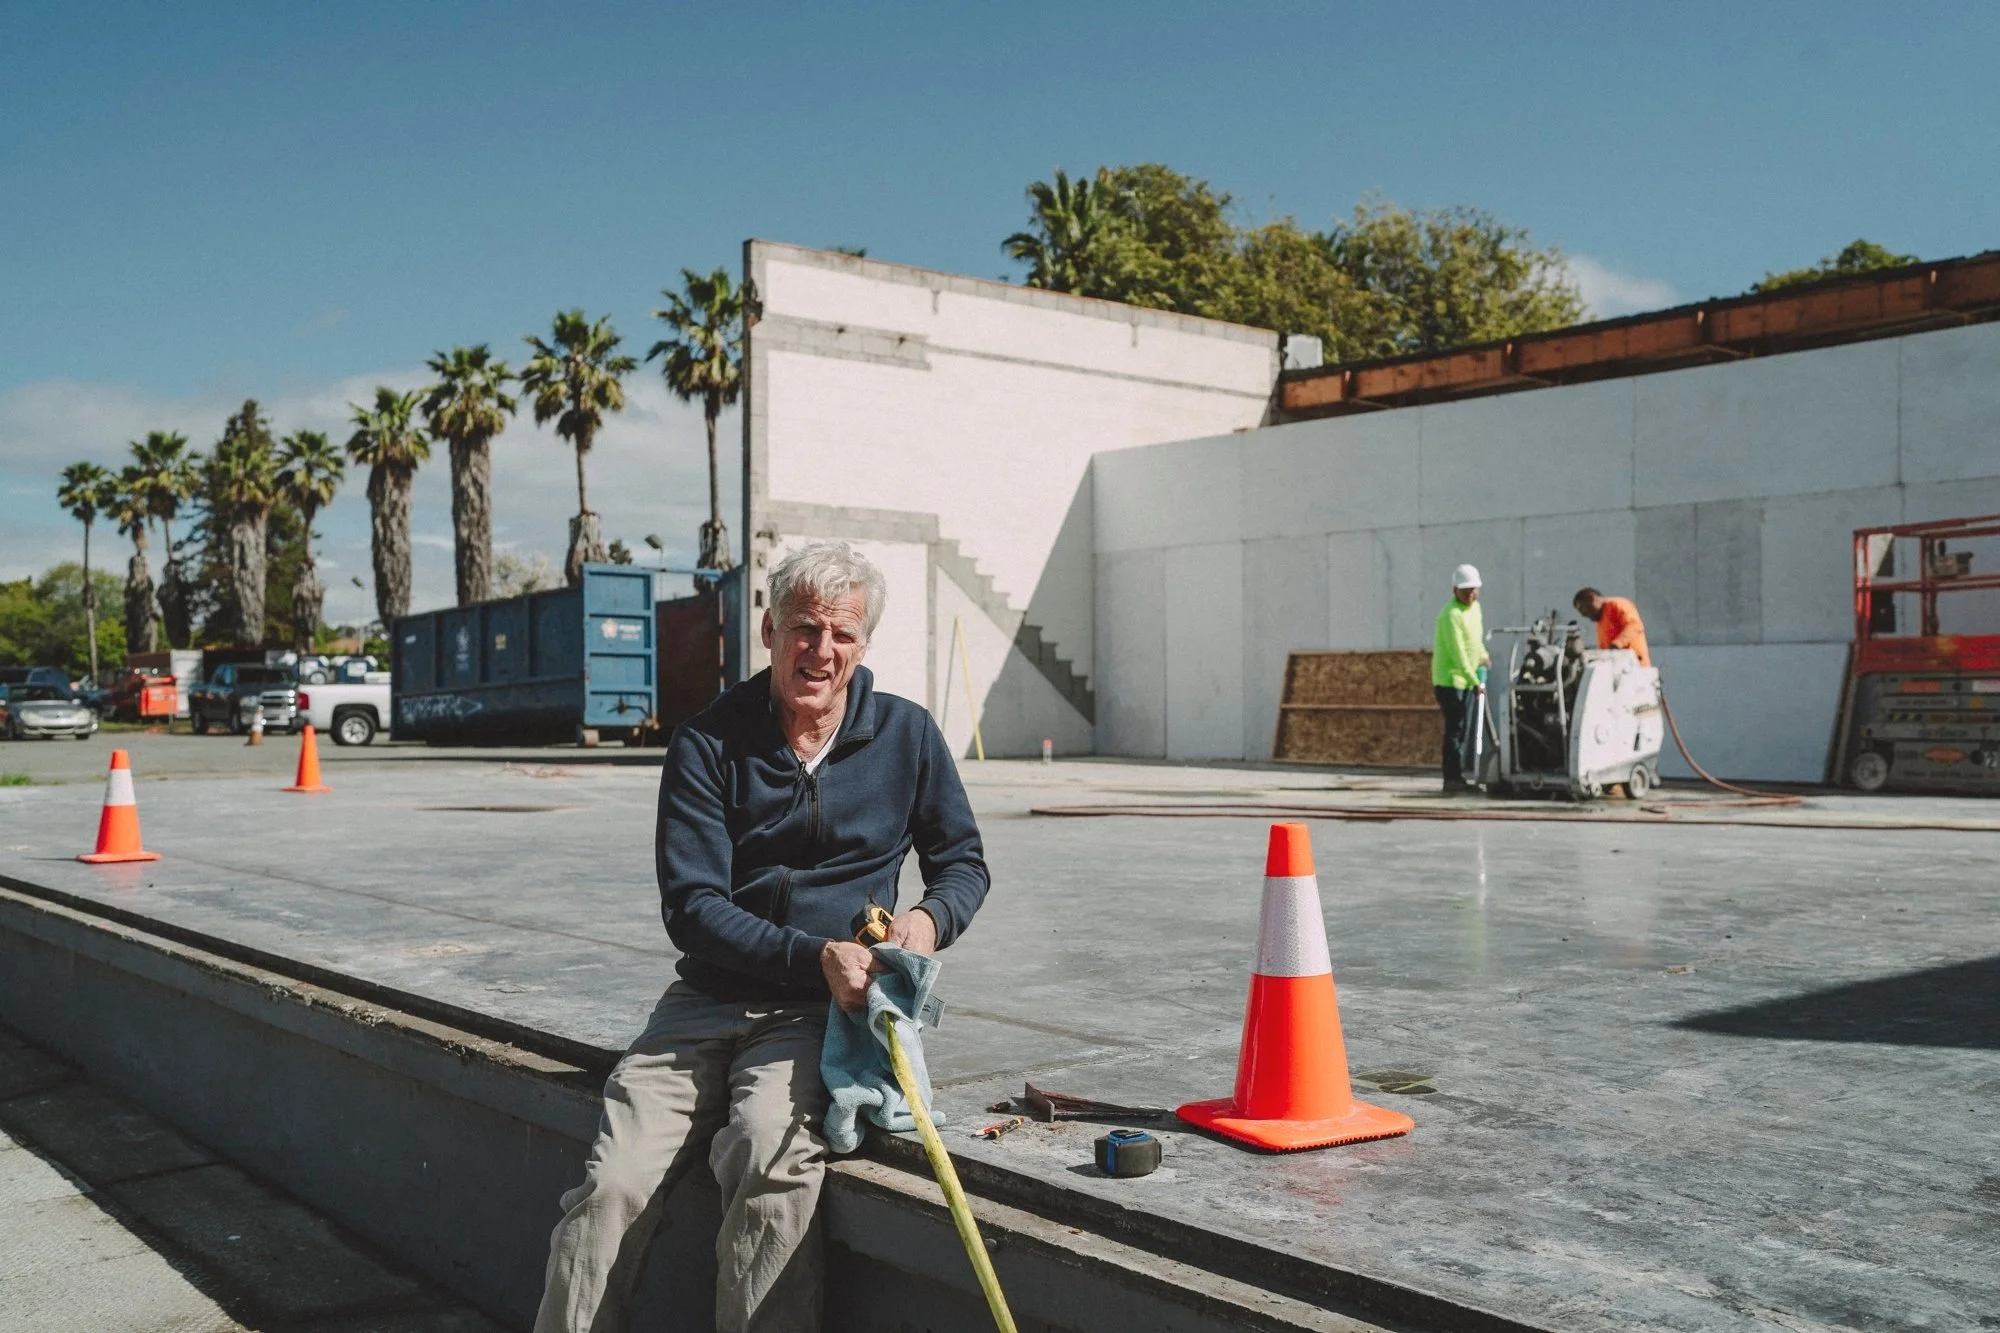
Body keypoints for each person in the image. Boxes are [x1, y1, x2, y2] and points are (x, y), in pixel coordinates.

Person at [533, 541, 990, 1333]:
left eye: (841, 634)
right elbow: (693, 906)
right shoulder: (708, 742)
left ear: (863, 643)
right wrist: (809, 954)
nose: (822, 651)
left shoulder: (907, 736)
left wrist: (926, 920)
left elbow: (964, 864)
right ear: (771, 629)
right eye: (804, 628)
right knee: (611, 1185)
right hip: (704, 1003)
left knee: (772, 1165)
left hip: (820, 1018)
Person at [1431, 563, 1490, 792]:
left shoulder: (1475, 609)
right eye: (1466, 590)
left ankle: (1458, 776)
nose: (1471, 594)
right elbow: (1457, 652)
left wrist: (1483, 656)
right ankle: (1451, 778)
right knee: (1455, 729)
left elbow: (1474, 640)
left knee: (1462, 728)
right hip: (1450, 680)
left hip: (1467, 679)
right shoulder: (1450, 614)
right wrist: (1475, 681)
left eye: (1474, 589)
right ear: (1454, 590)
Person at [1572, 587, 1651, 666]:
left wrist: (1617, 644)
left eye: (1582, 608)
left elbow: (1635, 626)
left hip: (1635, 665)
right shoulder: (1601, 620)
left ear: (1592, 599)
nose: (1582, 614)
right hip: (1617, 667)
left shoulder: (1617, 604)